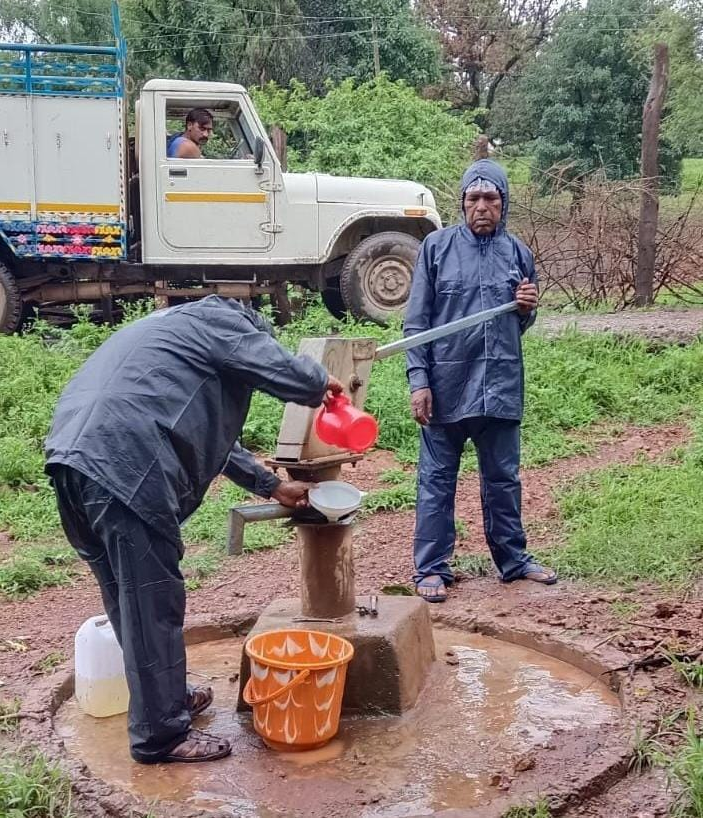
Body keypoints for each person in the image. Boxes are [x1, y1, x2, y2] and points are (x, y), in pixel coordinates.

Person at [45, 296, 343, 762]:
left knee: (128, 599)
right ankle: (162, 736)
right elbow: (283, 372)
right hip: (127, 467)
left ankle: (165, 700)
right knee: (153, 600)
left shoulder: (167, 331)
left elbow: (196, 425)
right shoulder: (222, 320)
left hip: (73, 462)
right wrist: (321, 382)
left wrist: (271, 486)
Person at [404, 158, 557, 603]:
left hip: (501, 384)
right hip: (447, 386)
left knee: (504, 478)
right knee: (436, 480)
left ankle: (513, 561)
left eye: (492, 199)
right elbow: (416, 324)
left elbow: (519, 324)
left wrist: (527, 309)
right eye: (474, 199)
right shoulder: (436, 248)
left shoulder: (518, 253)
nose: (483, 207)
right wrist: (419, 381)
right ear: (463, 203)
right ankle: (431, 567)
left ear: (504, 204)